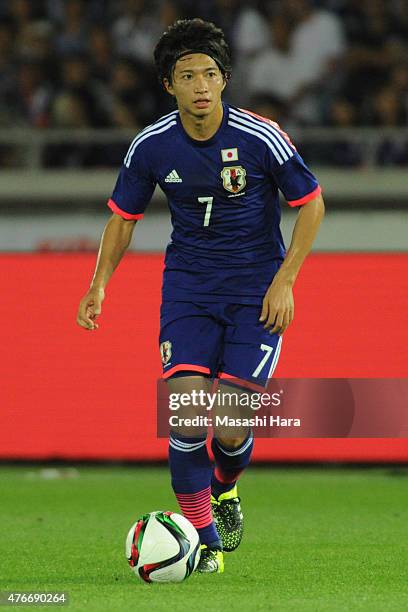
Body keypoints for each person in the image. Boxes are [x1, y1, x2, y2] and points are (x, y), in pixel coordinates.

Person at [76, 18, 324, 575]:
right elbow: (122, 218)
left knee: (232, 425)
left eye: (210, 73)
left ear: (225, 78)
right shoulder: (152, 144)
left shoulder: (261, 136)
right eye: (187, 75)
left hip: (256, 292)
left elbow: (311, 203)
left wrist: (286, 280)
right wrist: (98, 285)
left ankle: (225, 488)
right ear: (170, 85)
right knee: (186, 414)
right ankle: (205, 539)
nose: (201, 85)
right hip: (188, 290)